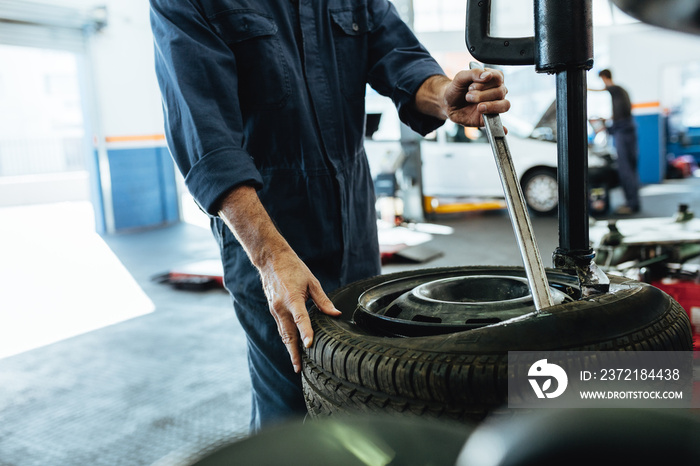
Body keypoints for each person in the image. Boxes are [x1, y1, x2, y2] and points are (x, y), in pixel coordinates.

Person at [149, 0, 510, 432]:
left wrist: (445, 95)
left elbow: (401, 59)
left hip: (354, 225)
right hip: (268, 234)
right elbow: (206, 138)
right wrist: (269, 258)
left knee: (367, 384)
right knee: (292, 402)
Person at [597, 69, 641, 215]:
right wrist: (608, 125)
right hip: (627, 130)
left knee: (625, 170)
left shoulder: (615, 89)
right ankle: (634, 203)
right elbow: (619, 114)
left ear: (604, 78)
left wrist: (584, 87)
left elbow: (605, 88)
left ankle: (631, 204)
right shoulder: (621, 91)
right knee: (631, 169)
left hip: (623, 132)